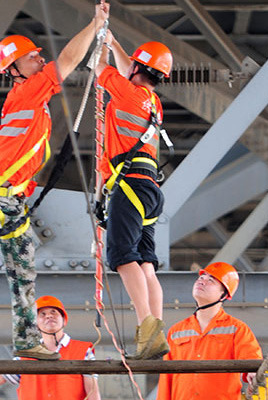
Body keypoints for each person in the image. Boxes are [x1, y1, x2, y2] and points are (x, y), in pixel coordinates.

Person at [0, 2, 110, 361]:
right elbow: (67, 61)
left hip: (11, 202)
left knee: (23, 274)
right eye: (32, 57)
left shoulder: (33, 100)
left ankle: (27, 338)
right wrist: (95, 26)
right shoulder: (28, 92)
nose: (40, 60)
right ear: (13, 69)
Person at [94, 32, 173, 360]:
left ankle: (147, 328)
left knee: (123, 257)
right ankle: (156, 328)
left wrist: (99, 38)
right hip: (149, 189)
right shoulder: (153, 104)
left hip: (128, 187)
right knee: (145, 262)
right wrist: (114, 42)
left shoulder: (126, 93)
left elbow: (97, 68)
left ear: (138, 68)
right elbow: (130, 69)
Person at [0, 296, 101, 400]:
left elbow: (92, 392)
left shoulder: (83, 351)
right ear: (35, 324)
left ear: (64, 319)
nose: (49, 317)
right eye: (43, 314)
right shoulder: (26, 355)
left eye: (54, 312)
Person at [156, 262, 263, 400]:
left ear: (224, 295)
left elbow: (251, 358)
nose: (202, 281)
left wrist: (253, 372)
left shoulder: (237, 329)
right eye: (201, 278)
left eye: (210, 280)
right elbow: (166, 378)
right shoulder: (176, 331)